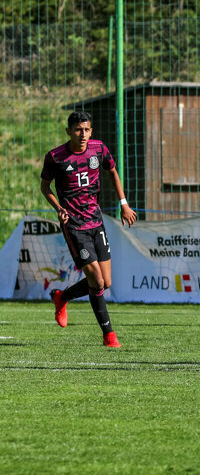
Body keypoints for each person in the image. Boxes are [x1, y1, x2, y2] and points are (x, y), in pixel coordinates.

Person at [41, 110, 138, 347]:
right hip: (74, 224)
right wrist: (58, 208)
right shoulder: (56, 157)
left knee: (106, 282)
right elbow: (45, 187)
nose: (82, 134)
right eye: (77, 130)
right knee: (95, 278)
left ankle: (62, 297)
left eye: (86, 129)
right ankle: (109, 336)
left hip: (96, 220)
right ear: (68, 131)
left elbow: (112, 172)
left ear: (91, 131)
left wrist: (123, 204)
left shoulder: (99, 149)